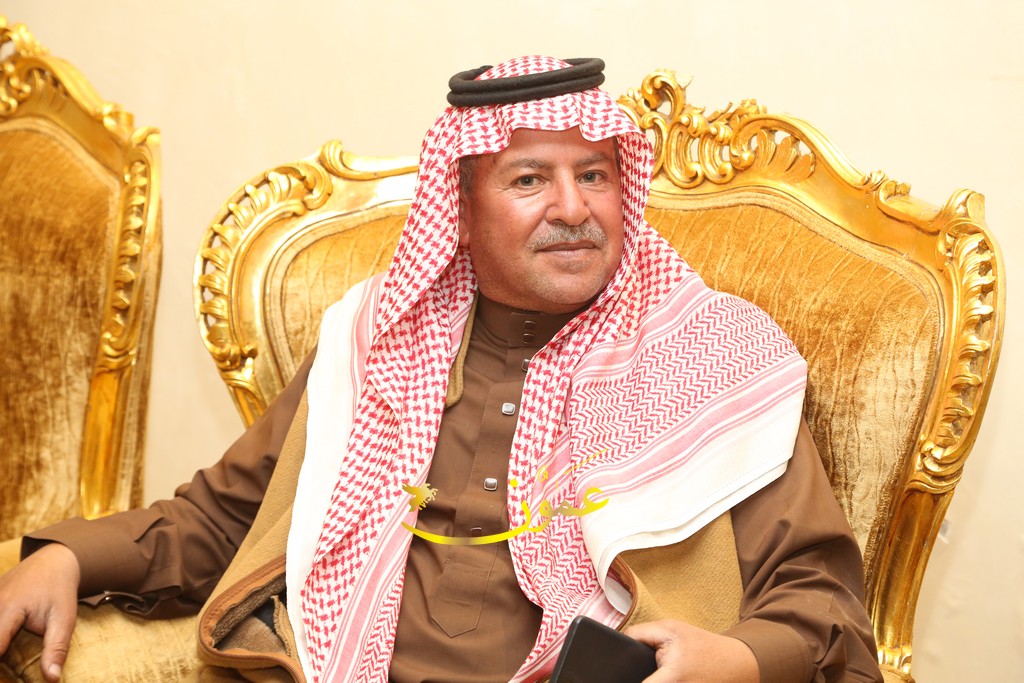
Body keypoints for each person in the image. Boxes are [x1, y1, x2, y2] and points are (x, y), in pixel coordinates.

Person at [0, 56, 883, 682]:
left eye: (595, 175)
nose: (573, 208)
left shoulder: (714, 355)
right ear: (457, 210)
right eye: (529, 180)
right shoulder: (374, 344)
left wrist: (737, 658)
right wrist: (67, 555)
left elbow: (821, 597)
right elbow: (226, 516)